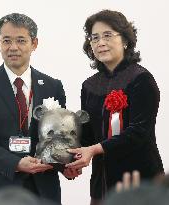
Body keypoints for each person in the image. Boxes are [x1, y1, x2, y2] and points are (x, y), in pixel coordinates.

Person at [0, 13, 79, 204]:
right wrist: (16, 163)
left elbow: (58, 137)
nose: (13, 47)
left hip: (44, 187)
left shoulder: (53, 86)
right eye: (6, 40)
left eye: (21, 40)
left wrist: (65, 165)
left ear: (34, 43)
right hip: (0, 185)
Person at [66, 9, 164, 204]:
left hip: (139, 179)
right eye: (94, 38)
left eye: (107, 35)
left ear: (125, 40)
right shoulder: (89, 85)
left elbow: (139, 132)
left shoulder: (141, 78)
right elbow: (87, 134)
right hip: (102, 181)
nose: (100, 42)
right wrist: (70, 161)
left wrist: (93, 150)